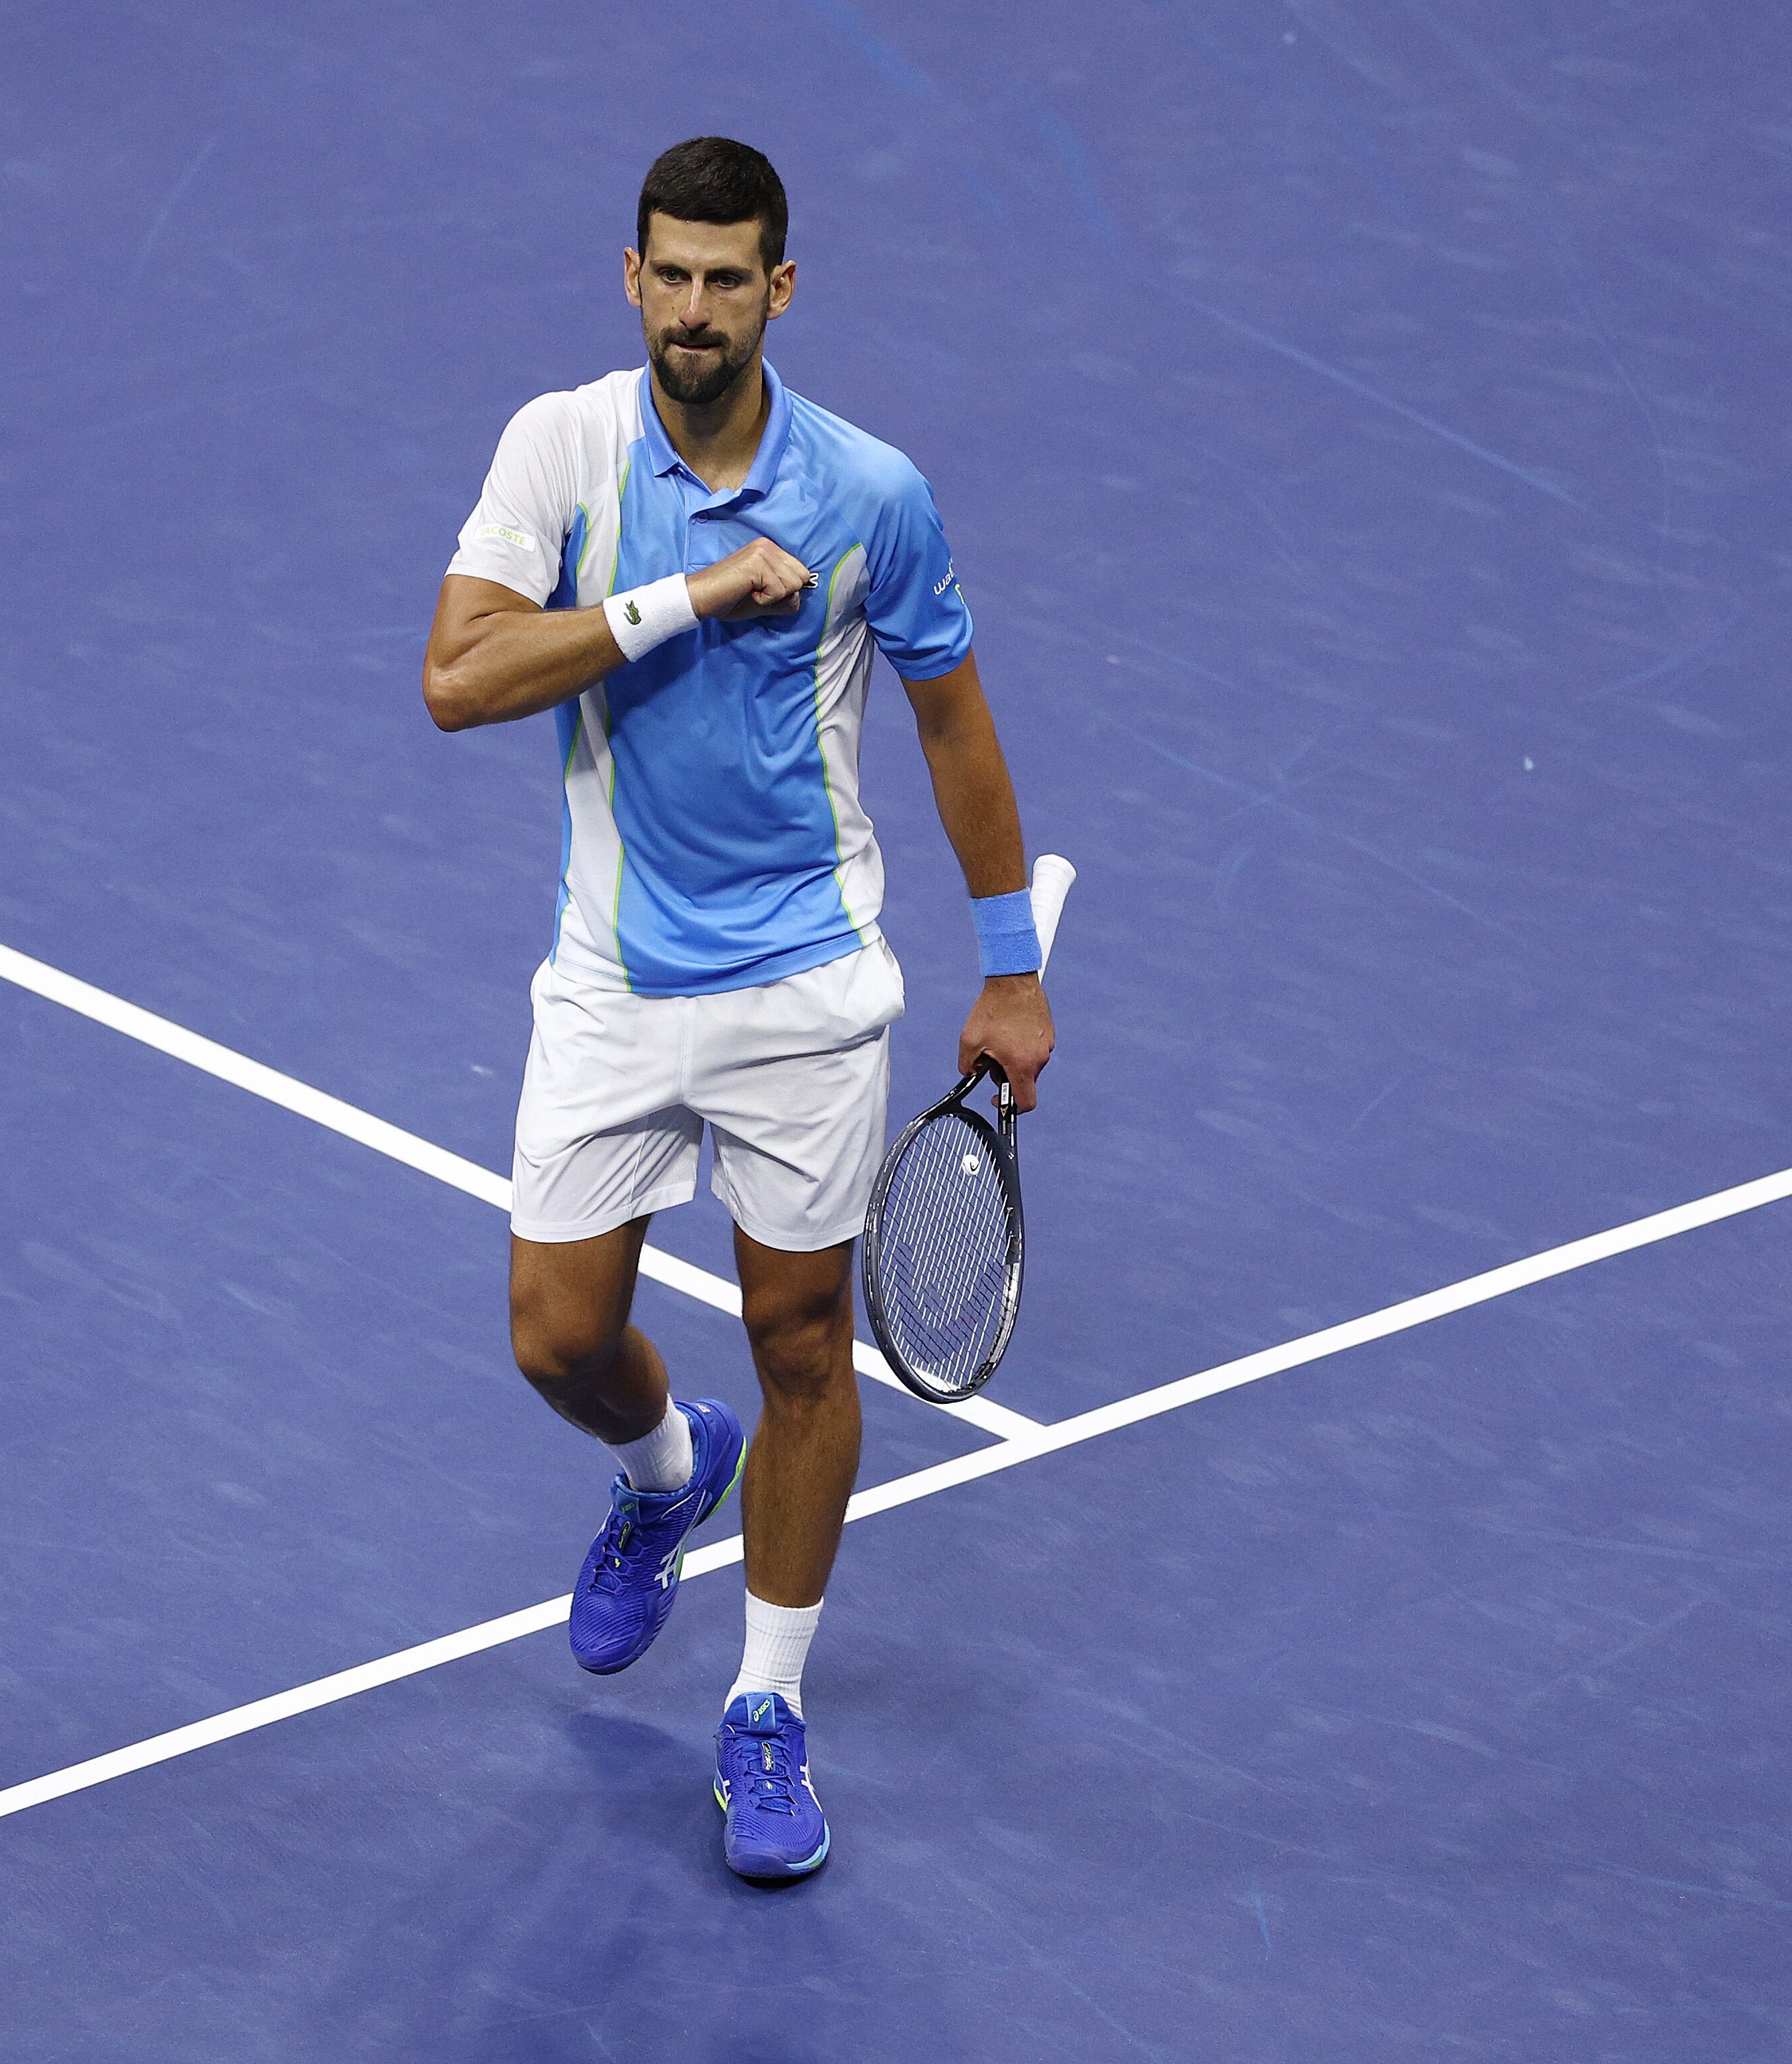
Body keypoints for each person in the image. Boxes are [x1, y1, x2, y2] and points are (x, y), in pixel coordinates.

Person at [421, 136, 1054, 1881]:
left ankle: (766, 1709)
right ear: (630, 279)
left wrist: (1009, 965)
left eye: (730, 279)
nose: (695, 308)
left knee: (799, 1344)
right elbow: (458, 679)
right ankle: (657, 1468)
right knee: (557, 1334)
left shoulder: (873, 495)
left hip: (802, 994)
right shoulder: (562, 450)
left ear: (782, 291)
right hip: (613, 980)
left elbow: (952, 722)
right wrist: (677, 596)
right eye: (669, 275)